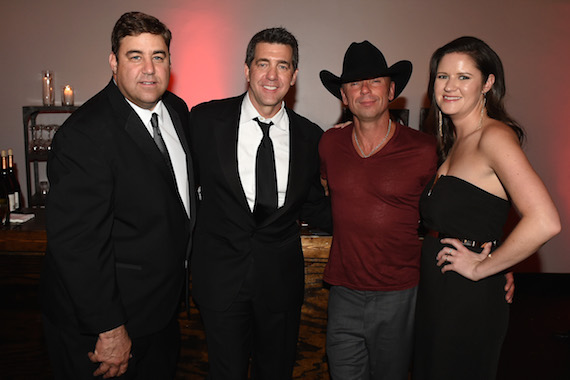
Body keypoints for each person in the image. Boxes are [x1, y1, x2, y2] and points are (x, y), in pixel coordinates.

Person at [41, 12, 195, 379]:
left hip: (159, 315)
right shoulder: (84, 135)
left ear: (170, 62)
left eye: (158, 56)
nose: (148, 69)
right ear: (113, 62)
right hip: (107, 328)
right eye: (134, 56)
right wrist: (110, 329)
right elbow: (77, 245)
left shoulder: (176, 110)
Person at [413, 36, 561, 380]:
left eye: (464, 77)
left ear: (488, 83)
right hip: (441, 291)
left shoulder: (494, 137)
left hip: (468, 297)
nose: (450, 86)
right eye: (442, 76)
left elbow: (545, 221)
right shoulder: (455, 142)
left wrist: (486, 267)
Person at [188, 27, 331, 379]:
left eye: (282, 66)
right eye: (263, 63)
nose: (271, 75)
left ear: (294, 76)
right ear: (247, 69)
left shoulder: (311, 137)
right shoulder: (204, 121)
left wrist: (374, 219)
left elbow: (313, 203)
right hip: (221, 282)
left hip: (280, 285)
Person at [318, 41, 438, 380]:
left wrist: (494, 259)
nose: (365, 90)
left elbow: (452, 212)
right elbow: (328, 190)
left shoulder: (425, 149)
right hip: (342, 292)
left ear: (391, 90)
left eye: (375, 81)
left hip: (399, 294)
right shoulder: (330, 143)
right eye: (355, 83)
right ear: (344, 97)